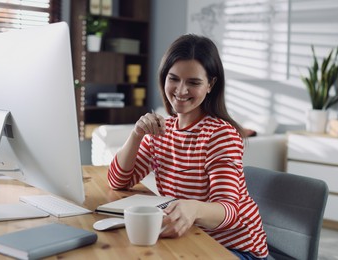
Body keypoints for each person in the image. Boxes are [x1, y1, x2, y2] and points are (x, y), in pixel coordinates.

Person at [107, 34, 268, 259]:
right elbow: (118, 181)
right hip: (191, 239)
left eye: (193, 82)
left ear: (211, 84)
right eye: (173, 78)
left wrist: (194, 208)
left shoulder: (221, 135)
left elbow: (229, 210)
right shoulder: (162, 130)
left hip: (235, 249)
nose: (181, 91)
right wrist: (136, 135)